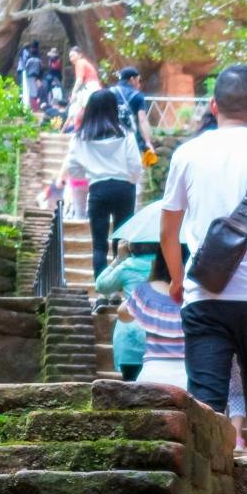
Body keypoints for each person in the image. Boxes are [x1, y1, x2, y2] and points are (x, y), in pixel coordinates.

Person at [160, 62, 247, 456]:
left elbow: (168, 232)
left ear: (213, 106)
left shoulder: (187, 154)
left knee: (206, 405)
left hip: (206, 294)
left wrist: (175, 279)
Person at [93, 212, 186, 387]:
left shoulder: (130, 267)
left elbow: (102, 286)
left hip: (131, 338)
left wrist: (118, 259)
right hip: (174, 350)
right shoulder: (179, 272)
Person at [62, 87, 145, 275]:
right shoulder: (125, 134)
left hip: (98, 189)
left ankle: (102, 292)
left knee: (99, 245)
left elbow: (73, 169)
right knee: (122, 242)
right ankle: (118, 288)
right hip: (124, 189)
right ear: (113, 108)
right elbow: (135, 166)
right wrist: (130, 181)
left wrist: (91, 174)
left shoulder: (81, 137)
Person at [63, 47, 103, 131]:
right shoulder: (84, 62)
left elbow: (79, 80)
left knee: (82, 110)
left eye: (73, 56)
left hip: (90, 87)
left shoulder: (80, 63)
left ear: (80, 55)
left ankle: (80, 130)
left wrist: (73, 92)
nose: (71, 59)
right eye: (70, 57)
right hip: (93, 87)